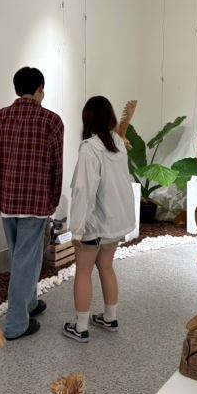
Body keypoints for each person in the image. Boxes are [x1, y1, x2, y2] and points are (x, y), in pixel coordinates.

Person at [0, 67, 63, 339]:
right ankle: (17, 324)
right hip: (35, 201)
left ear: (17, 89)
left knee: (21, 255)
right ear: (40, 88)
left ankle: (29, 303)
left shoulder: (0, 117)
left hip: (7, 199)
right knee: (26, 259)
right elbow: (56, 165)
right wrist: (53, 199)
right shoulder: (51, 120)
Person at [63, 96, 136, 343]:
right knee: (106, 267)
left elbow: (83, 191)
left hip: (94, 223)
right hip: (114, 222)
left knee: (83, 271)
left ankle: (81, 327)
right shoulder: (118, 144)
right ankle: (110, 318)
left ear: (88, 119)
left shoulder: (89, 148)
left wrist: (76, 230)